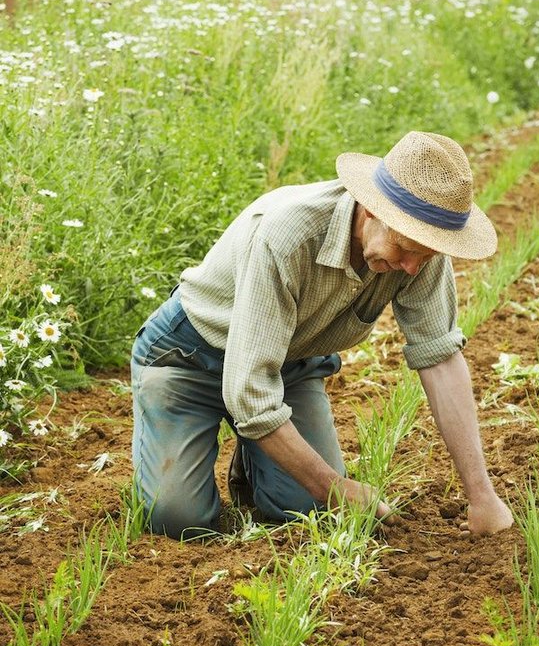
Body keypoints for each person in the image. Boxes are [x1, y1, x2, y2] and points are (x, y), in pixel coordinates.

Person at [131, 131, 513, 540]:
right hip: (190, 359)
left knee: (308, 510)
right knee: (176, 520)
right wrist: (337, 487)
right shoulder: (286, 237)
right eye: (406, 249)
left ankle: (254, 459)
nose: (413, 268)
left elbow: (440, 359)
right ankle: (230, 448)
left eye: (428, 254)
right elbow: (249, 394)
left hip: (288, 366)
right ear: (370, 209)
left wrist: (482, 496)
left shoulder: (420, 253)